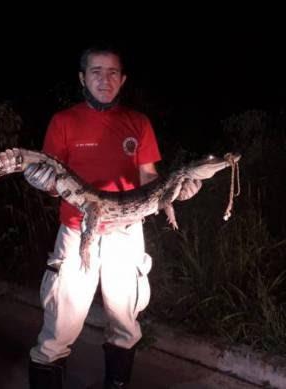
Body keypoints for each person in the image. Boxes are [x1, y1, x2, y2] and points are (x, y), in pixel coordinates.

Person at [23, 45, 201, 388]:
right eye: (96, 72)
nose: (104, 80)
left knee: (125, 324)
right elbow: (51, 179)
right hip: (77, 232)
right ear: (82, 78)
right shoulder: (63, 121)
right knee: (58, 329)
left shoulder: (138, 123)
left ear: (123, 80)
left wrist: (177, 192)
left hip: (126, 232)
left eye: (112, 73)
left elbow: (149, 179)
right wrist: (41, 181)